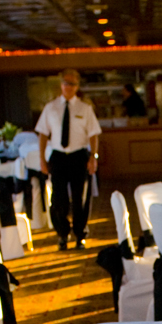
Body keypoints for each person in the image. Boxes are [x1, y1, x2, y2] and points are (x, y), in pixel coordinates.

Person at [35, 69, 101, 249]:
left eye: (72, 84)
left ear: (77, 86)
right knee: (58, 200)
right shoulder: (51, 108)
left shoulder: (85, 108)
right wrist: (42, 159)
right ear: (61, 85)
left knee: (80, 198)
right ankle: (62, 234)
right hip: (57, 157)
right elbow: (42, 134)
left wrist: (93, 158)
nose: (68, 86)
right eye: (65, 83)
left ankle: (80, 235)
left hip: (79, 156)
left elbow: (94, 135)